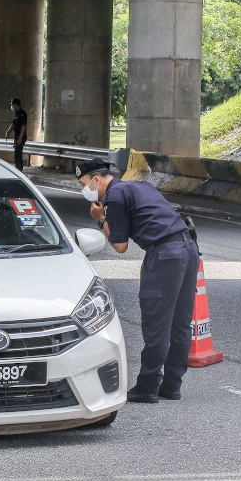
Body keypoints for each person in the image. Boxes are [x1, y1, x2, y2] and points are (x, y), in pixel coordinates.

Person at [76, 158, 199, 404]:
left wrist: (101, 219)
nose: (84, 190)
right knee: (180, 322)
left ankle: (147, 386)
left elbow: (120, 246)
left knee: (157, 323)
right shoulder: (140, 186)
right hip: (189, 248)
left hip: (164, 255)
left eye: (84, 183)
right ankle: (172, 385)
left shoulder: (115, 197)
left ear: (97, 179)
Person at [5, 98, 28, 171]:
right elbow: (13, 124)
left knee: (18, 153)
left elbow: (24, 126)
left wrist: (20, 138)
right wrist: (8, 131)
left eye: (12, 105)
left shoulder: (22, 114)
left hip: (20, 136)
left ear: (16, 105)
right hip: (16, 136)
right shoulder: (17, 114)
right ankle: (17, 167)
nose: (12, 106)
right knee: (16, 153)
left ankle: (19, 169)